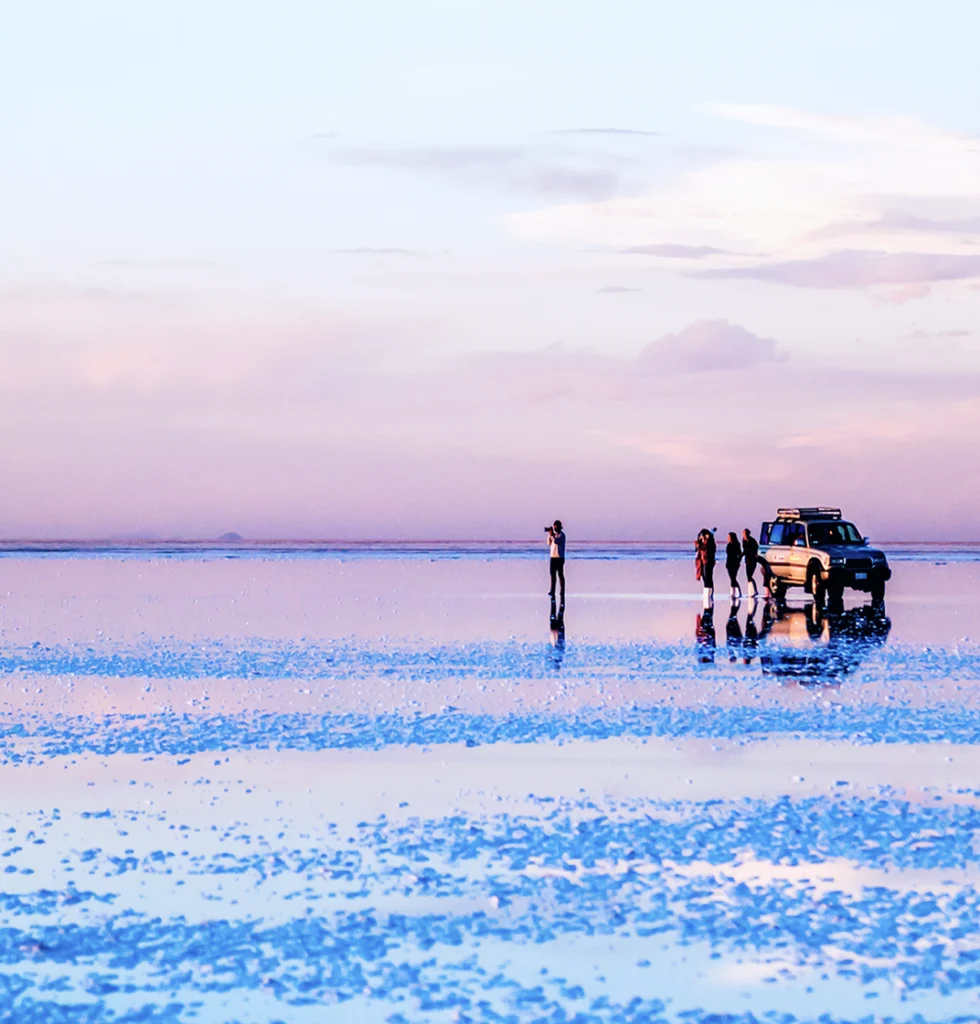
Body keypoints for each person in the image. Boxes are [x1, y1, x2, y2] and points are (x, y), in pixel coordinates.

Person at [695, 528, 716, 606]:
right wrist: (699, 542)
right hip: (702, 561)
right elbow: (697, 549)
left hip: (708, 561)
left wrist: (707, 537)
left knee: (708, 577)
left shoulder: (710, 543)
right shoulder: (701, 543)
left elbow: (706, 548)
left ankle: (709, 593)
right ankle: (706, 593)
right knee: (704, 576)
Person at [545, 520, 566, 600]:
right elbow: (548, 543)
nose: (554, 528)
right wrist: (550, 535)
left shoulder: (562, 535)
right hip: (553, 557)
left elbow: (557, 541)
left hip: (560, 557)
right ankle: (552, 590)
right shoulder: (553, 535)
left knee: (560, 574)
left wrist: (553, 535)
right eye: (554, 527)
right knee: (552, 575)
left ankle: (562, 591)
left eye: (556, 527)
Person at [742, 528, 759, 597]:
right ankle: (751, 591)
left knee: (749, 576)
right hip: (747, 560)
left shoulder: (752, 541)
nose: (743, 535)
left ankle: (753, 591)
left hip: (752, 560)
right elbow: (745, 550)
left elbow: (754, 549)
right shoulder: (744, 540)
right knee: (748, 576)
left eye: (744, 534)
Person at [725, 531, 743, 600]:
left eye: (729, 537)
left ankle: (738, 592)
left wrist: (738, 561)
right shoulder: (729, 544)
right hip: (729, 562)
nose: (728, 538)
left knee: (733, 578)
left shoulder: (736, 544)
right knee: (732, 578)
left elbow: (740, 554)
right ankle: (733, 592)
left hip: (734, 563)